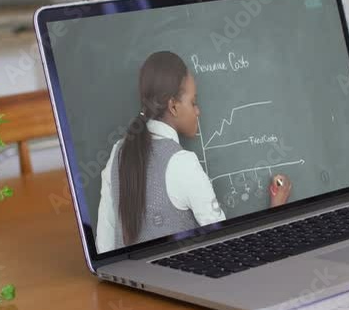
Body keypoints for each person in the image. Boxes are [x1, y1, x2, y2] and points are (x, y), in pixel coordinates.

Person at [96, 51, 292, 253]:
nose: (198, 111)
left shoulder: (117, 152)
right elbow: (229, 247)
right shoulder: (182, 163)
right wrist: (277, 209)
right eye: (193, 102)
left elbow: (105, 245)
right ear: (173, 106)